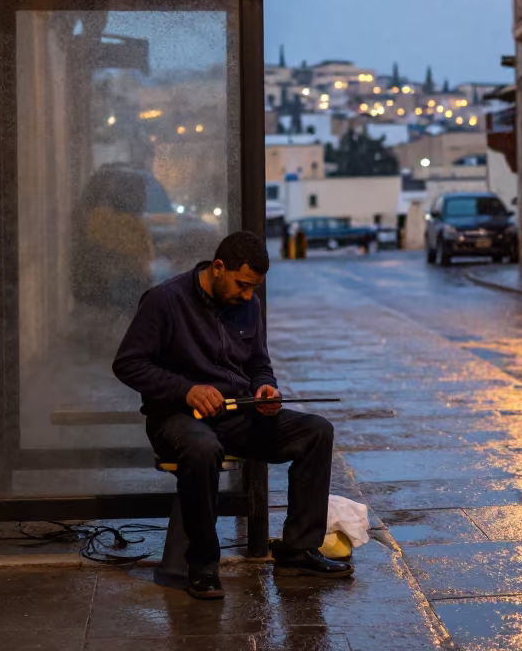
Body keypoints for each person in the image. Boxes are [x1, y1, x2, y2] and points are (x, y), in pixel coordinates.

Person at [112, 231, 353, 599]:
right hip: (177, 418)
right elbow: (128, 364)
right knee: (202, 449)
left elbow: (258, 363)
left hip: (237, 413)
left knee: (316, 431)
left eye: (253, 288)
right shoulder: (165, 301)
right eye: (242, 285)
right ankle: (203, 565)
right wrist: (186, 389)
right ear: (218, 267)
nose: (247, 295)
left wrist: (265, 390)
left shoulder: (249, 304)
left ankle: (298, 549)